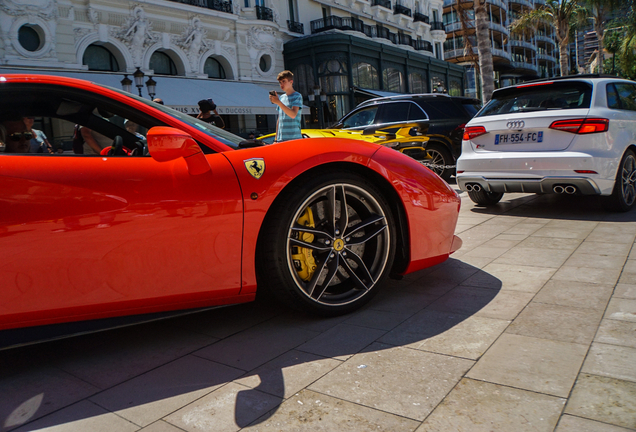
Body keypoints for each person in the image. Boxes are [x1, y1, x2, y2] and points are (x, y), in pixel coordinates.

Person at [269, 70, 303, 142]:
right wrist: (276, 139)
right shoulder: (281, 97)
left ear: (291, 82)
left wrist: (278, 102)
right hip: (281, 139)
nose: (281, 84)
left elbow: (293, 114)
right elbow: (279, 119)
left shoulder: (297, 96)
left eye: (284, 81)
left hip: (294, 139)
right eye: (280, 82)